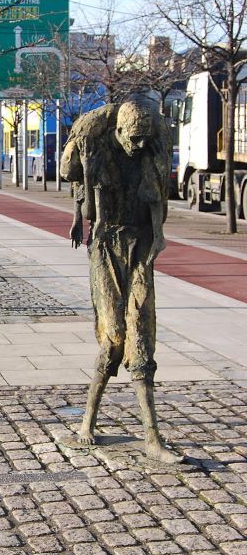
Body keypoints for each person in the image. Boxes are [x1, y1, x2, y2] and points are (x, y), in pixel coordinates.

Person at [60, 94, 181, 463]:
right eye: (134, 138)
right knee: (113, 337)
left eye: (145, 139)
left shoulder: (149, 151)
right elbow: (68, 171)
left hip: (140, 243)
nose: (139, 145)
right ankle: (86, 425)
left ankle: (152, 437)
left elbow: (157, 198)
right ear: (117, 130)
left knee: (142, 335)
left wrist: (157, 237)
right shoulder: (96, 144)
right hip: (107, 244)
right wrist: (79, 214)